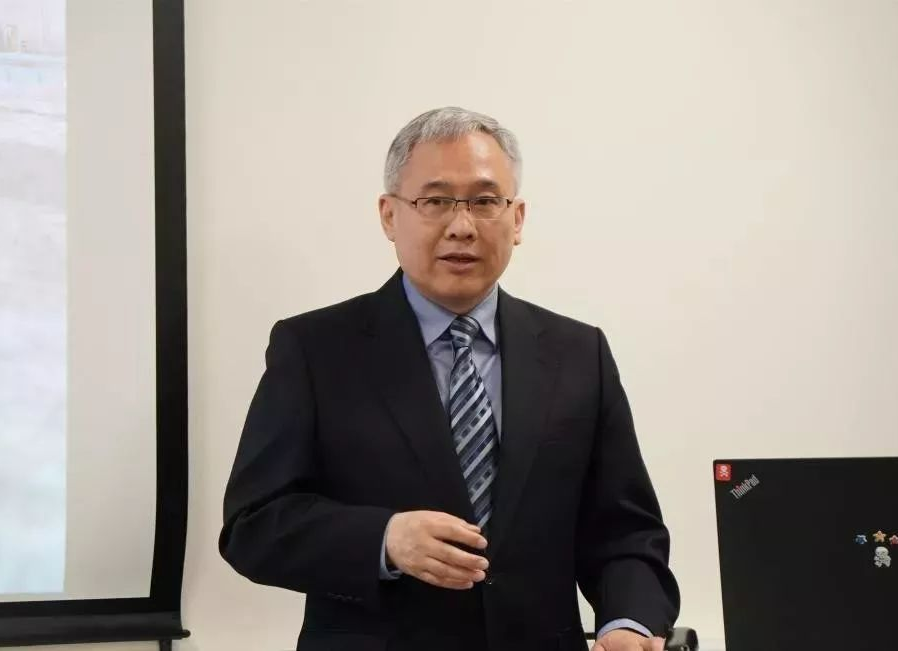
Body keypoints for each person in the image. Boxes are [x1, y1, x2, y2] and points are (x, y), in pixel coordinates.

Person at [219, 107, 680, 651]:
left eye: (485, 201)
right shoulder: (315, 349)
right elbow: (253, 526)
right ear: (389, 216)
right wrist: (384, 539)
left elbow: (625, 532)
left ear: (517, 218)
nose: (462, 226)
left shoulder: (580, 354)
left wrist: (627, 623)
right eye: (435, 201)